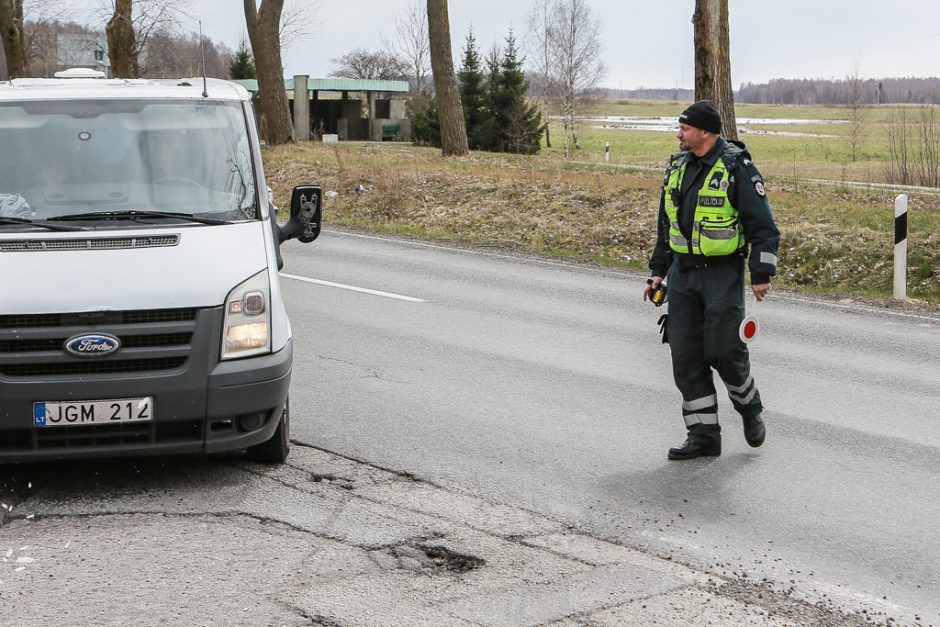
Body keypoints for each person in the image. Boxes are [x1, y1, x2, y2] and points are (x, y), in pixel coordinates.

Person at [642, 100, 780, 461]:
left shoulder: (737, 168)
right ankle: (703, 436)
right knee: (685, 356)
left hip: (722, 274)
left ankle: (750, 409)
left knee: (724, 351)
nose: (678, 134)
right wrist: (658, 271)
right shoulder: (676, 167)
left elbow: (764, 227)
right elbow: (666, 225)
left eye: (684, 128)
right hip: (682, 275)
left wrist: (761, 273)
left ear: (705, 131)